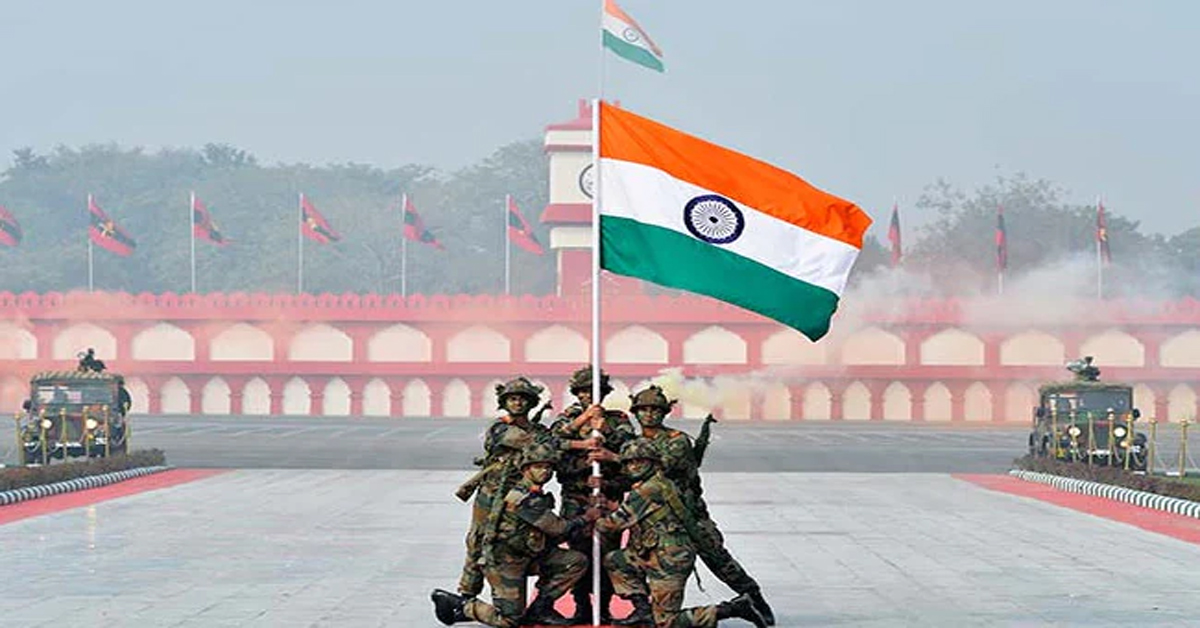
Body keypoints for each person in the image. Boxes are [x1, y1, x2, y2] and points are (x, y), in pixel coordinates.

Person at [628, 385, 776, 626]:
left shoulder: (677, 441)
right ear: (636, 412)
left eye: (655, 410)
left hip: (689, 516)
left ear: (664, 413)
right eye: (644, 409)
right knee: (636, 562)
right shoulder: (633, 443)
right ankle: (647, 611)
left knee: (720, 562)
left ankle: (754, 599)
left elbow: (661, 466)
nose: (649, 414)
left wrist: (615, 458)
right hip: (655, 520)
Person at [454, 376, 601, 598]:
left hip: (523, 495)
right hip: (493, 493)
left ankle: (515, 589)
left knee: (525, 539)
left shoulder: (537, 428)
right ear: (504, 402)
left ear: (531, 402)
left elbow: (552, 440)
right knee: (480, 539)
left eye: (523, 398)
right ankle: (466, 594)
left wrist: (585, 425)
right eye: (512, 398)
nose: (518, 403)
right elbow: (539, 444)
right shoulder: (500, 428)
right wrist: (582, 437)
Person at [595, 439, 767, 628]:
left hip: (669, 560)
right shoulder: (660, 483)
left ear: (653, 463)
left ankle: (732, 609)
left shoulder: (648, 490)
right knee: (617, 560)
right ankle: (643, 612)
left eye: (640, 461)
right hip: (652, 553)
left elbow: (612, 525)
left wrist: (592, 518)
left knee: (665, 622)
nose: (634, 466)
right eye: (629, 462)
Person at [432, 443, 600, 627]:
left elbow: (551, 533)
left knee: (575, 561)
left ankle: (540, 609)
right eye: (538, 467)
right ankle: (462, 606)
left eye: (548, 467)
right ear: (526, 469)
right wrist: (587, 517)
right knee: (510, 620)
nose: (545, 471)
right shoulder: (523, 497)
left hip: (528, 554)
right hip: (505, 561)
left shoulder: (534, 493)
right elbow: (558, 529)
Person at [550, 365, 638, 623]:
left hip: (607, 497)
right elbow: (550, 444)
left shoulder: (618, 420)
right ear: (577, 393)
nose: (588, 395)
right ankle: (582, 607)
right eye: (583, 391)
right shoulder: (568, 417)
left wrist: (604, 430)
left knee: (607, 555)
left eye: (594, 390)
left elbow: (631, 452)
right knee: (579, 556)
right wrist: (582, 422)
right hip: (576, 497)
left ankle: (604, 607)